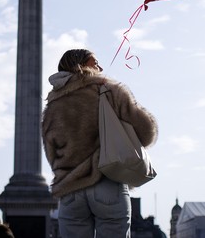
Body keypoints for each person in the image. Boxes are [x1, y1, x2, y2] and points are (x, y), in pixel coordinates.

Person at [42, 49, 158, 238]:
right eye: (95, 62)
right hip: (106, 181)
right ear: (81, 65)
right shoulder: (108, 90)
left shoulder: (52, 106)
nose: (100, 67)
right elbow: (146, 132)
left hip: (69, 190)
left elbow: (51, 152)